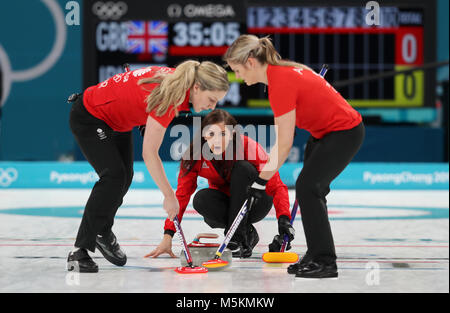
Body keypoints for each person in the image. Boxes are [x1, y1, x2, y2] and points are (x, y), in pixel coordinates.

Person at [224, 35, 365, 278]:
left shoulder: (280, 82)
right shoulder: (282, 71)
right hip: (323, 134)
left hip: (343, 132)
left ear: (250, 61)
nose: (238, 76)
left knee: (308, 187)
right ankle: (315, 254)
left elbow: (284, 144)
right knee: (310, 190)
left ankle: (325, 262)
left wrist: (260, 182)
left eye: (237, 69)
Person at [67, 61, 229, 273]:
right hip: (90, 116)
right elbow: (149, 154)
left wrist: (144, 117)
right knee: (113, 176)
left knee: (124, 177)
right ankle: (79, 251)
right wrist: (169, 196)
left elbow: (136, 91)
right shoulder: (169, 97)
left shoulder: (178, 79)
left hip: (117, 121)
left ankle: (101, 231)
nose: (212, 107)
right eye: (211, 99)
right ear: (196, 88)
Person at [146, 109, 294, 259]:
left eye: (223, 134)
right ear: (204, 134)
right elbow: (181, 196)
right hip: (227, 206)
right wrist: (168, 235)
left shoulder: (249, 147)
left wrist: (284, 221)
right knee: (201, 199)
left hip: (256, 203)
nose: (217, 140)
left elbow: (276, 185)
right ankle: (246, 234)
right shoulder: (194, 155)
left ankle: (236, 240)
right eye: (211, 134)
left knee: (243, 168)